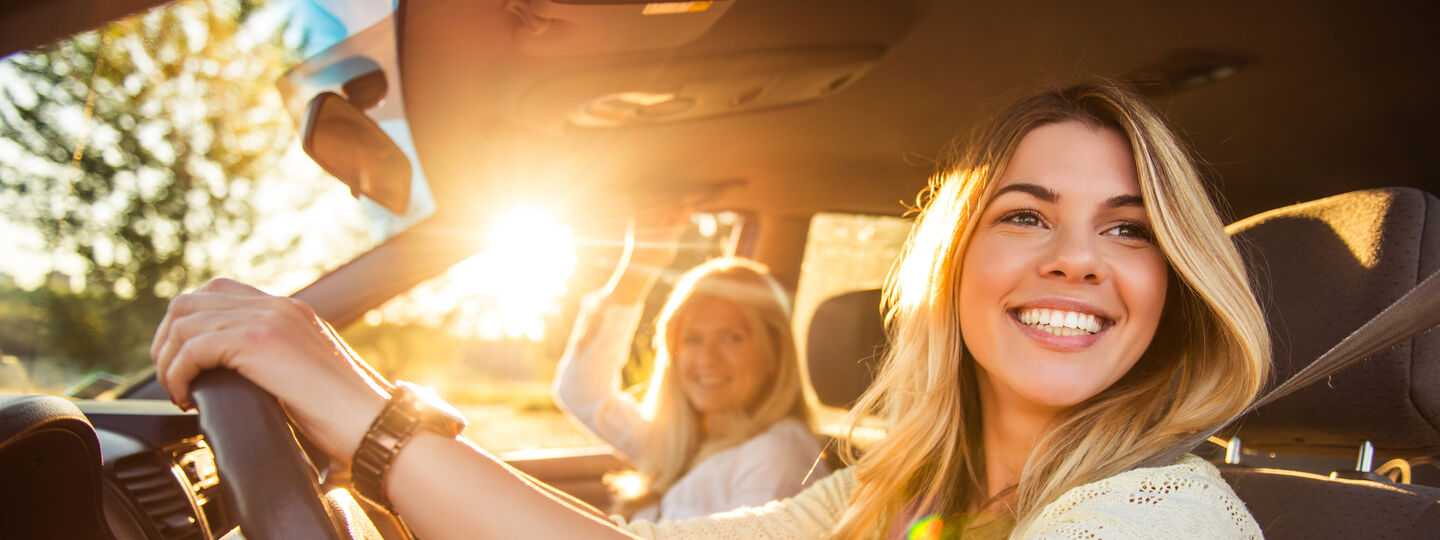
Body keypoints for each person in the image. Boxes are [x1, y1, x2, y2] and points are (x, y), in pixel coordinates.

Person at [151, 78, 1270, 539]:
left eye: (1128, 229)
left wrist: (361, 410)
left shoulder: (1157, 517)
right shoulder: (902, 490)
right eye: (1027, 216)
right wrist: (345, 397)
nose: (1079, 260)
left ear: (1169, 287)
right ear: (954, 266)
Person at [552, 215, 826, 520]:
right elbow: (582, 394)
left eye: (732, 338)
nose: (707, 358)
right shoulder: (680, 441)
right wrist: (641, 264)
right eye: (692, 339)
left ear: (773, 352)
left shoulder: (777, 456)